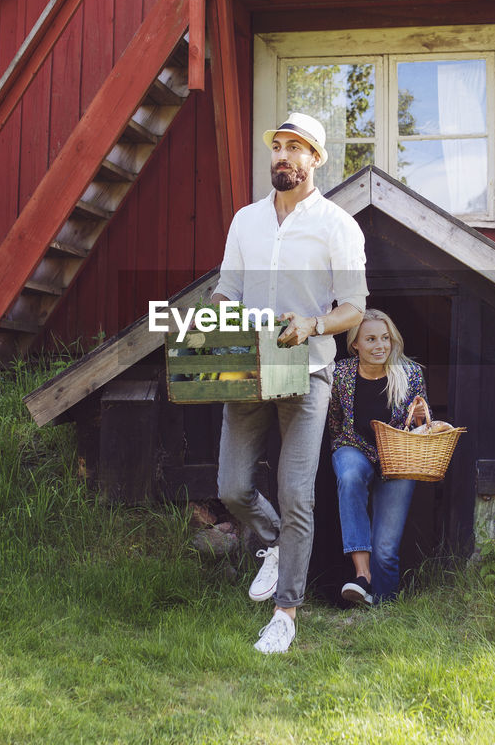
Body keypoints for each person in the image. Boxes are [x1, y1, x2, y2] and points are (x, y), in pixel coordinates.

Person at [212, 112, 368, 654]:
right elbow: (225, 289)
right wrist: (221, 319)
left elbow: (355, 308)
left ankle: (286, 614)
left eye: (294, 147)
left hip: (309, 369)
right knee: (231, 486)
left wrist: (314, 323)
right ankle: (275, 543)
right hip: (249, 366)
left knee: (297, 492)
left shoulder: (338, 227)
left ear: (316, 160)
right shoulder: (245, 221)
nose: (281, 155)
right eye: (276, 146)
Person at [326, 309, 428, 606]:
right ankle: (363, 575)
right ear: (355, 343)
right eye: (370, 339)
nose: (380, 345)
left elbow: (421, 428)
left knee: (385, 548)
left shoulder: (410, 373)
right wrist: (343, 445)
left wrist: (421, 419)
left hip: (398, 458)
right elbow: (335, 421)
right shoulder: (341, 373)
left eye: (385, 338)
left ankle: (383, 607)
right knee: (349, 474)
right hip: (354, 446)